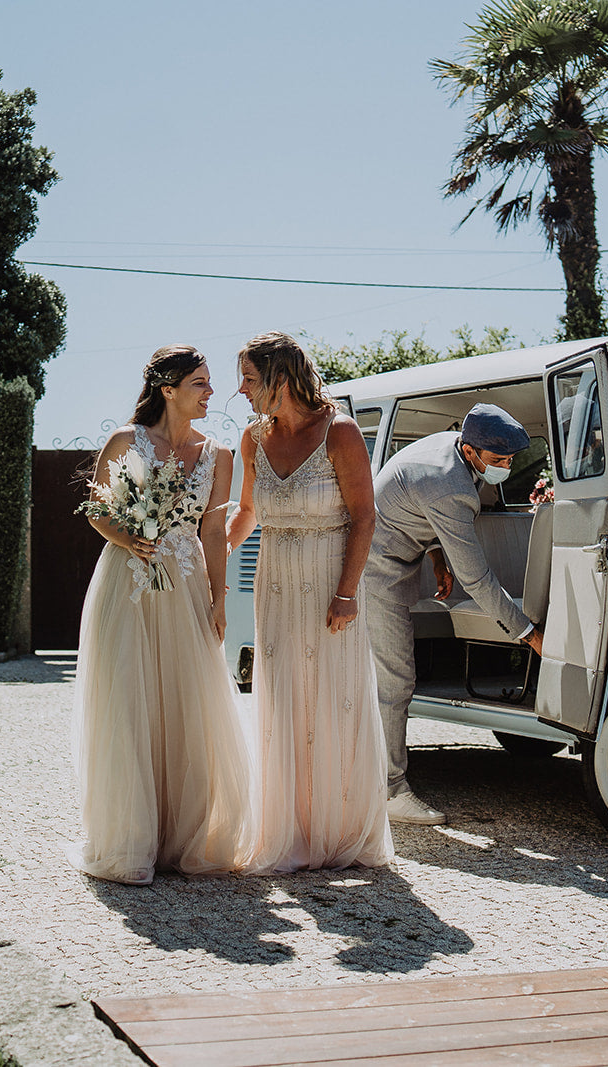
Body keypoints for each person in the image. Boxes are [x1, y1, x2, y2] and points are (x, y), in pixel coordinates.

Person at [68, 345, 251, 885]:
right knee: (130, 700)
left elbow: (214, 532)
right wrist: (133, 538)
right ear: (167, 389)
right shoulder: (125, 442)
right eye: (200, 383)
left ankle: (183, 838)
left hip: (188, 584)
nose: (211, 393)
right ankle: (129, 838)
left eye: (210, 383)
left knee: (187, 702)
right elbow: (98, 509)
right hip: (127, 581)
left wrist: (221, 601)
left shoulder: (219, 456)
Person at [228, 331, 393, 872]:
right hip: (275, 583)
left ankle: (338, 831)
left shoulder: (338, 431)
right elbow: (247, 514)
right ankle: (289, 831)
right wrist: (197, 554)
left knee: (334, 700)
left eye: (250, 378)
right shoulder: (253, 439)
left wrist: (347, 593)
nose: (242, 390)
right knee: (282, 701)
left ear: (279, 376)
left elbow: (365, 517)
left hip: (330, 582)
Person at [365, 403, 545, 826]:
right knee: (395, 680)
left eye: (511, 460)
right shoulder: (450, 487)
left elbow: (409, 503)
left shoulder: (447, 445)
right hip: (373, 572)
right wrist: (529, 634)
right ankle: (389, 792)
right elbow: (479, 580)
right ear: (469, 451)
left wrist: (436, 557)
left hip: (394, 557)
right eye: (498, 461)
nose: (506, 467)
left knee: (383, 678)